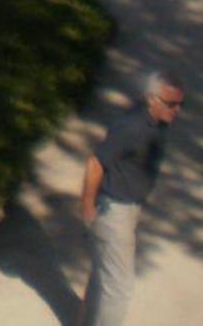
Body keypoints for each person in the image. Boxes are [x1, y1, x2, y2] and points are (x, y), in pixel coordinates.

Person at [78, 72, 184, 325]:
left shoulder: (156, 121)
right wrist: (87, 204)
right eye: (171, 104)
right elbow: (95, 163)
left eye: (180, 104)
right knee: (119, 288)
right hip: (115, 211)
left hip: (125, 209)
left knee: (103, 276)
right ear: (151, 99)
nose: (177, 110)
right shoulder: (132, 127)